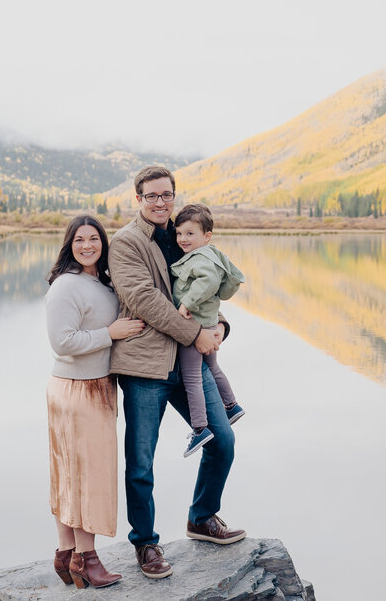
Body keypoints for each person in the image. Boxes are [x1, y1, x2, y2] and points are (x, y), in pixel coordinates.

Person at [109, 166, 246, 581]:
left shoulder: (184, 235)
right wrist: (197, 334)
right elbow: (145, 299)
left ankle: (202, 517)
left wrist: (220, 326)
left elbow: (202, 289)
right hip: (144, 365)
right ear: (138, 199)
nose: (160, 202)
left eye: (166, 194)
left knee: (222, 441)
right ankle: (146, 543)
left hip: (187, 360)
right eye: (152, 196)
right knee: (141, 461)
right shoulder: (126, 243)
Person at [44, 215, 145, 589]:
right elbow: (63, 342)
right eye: (80, 239)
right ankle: (87, 559)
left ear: (104, 243)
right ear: (69, 244)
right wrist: (110, 333)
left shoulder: (99, 282)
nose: (87, 245)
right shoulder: (65, 286)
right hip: (76, 389)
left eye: (94, 239)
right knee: (86, 476)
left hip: (96, 385)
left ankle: (66, 553)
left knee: (71, 473)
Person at [171, 203, 246, 456]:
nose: (183, 239)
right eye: (179, 233)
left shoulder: (201, 258)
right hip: (210, 322)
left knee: (192, 378)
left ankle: (200, 428)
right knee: (213, 368)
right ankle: (232, 405)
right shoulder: (211, 254)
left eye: (190, 233)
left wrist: (186, 304)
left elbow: (208, 281)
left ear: (207, 236)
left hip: (196, 327)